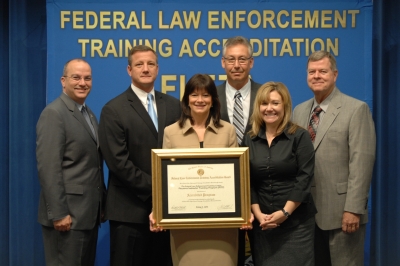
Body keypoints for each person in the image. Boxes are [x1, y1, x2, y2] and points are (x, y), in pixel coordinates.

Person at [150, 74, 251, 266]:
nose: (200, 100)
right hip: (184, 227)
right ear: (187, 99)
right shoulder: (170, 132)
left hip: (222, 226)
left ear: (213, 100)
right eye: (194, 95)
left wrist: (244, 211)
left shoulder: (228, 131)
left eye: (205, 95)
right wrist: (157, 211)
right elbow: (162, 177)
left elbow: (237, 178)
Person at [98, 45, 181, 265]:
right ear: (129, 69)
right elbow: (118, 162)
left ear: (158, 68)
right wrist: (159, 188)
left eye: (150, 64)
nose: (145, 69)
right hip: (129, 212)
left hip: (168, 212)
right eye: (139, 64)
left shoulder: (174, 106)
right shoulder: (113, 109)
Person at [292, 51, 376, 266]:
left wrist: (353, 208)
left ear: (335, 74)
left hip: (342, 213)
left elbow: (362, 163)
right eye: (312, 72)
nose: (317, 76)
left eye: (323, 71)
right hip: (305, 216)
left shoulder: (356, 109)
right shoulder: (299, 112)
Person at [36, 59, 106, 265]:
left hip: (87, 216)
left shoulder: (88, 113)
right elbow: (49, 168)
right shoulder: (54, 113)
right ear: (63, 81)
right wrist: (58, 213)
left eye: (87, 78)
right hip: (67, 218)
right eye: (76, 77)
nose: (82, 83)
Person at [242, 81, 317, 266]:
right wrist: (258, 214)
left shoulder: (299, 136)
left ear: (285, 106)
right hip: (263, 225)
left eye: (275, 103)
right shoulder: (249, 137)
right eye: (264, 103)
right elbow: (246, 180)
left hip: (296, 225)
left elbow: (304, 178)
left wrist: (285, 212)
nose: (269, 108)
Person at [217, 35, 262, 265]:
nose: (237, 65)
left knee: (263, 256)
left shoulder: (268, 96)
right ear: (223, 62)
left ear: (251, 62)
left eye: (242, 59)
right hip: (221, 192)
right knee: (227, 256)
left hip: (262, 191)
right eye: (231, 59)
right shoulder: (209, 98)